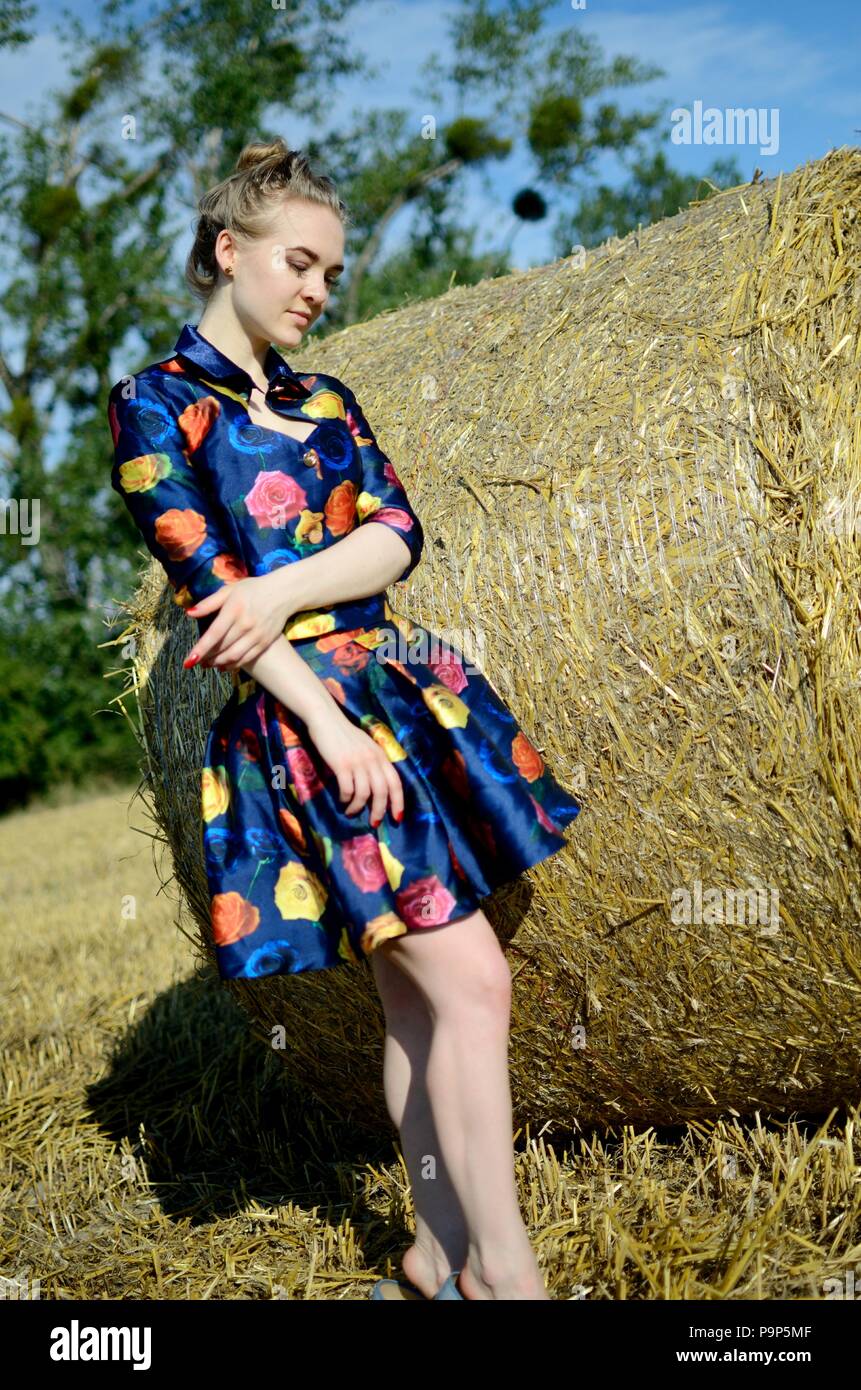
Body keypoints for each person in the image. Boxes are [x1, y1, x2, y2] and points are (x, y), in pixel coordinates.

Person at [107, 138, 583, 1301]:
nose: (318, 289)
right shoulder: (151, 406)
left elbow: (397, 533)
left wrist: (272, 587)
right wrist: (322, 720)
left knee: (420, 1001)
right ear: (230, 250)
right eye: (299, 261)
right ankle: (504, 1280)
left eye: (331, 270)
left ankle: (431, 1254)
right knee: (473, 983)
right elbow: (206, 594)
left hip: (401, 695)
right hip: (303, 722)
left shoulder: (325, 396)